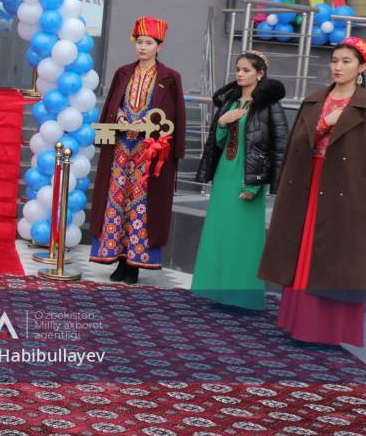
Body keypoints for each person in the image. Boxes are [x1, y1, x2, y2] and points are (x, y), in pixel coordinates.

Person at [259, 37, 366, 347]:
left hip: (346, 189)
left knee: (334, 259)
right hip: (307, 182)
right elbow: (296, 144)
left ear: (361, 67)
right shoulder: (315, 99)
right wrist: (325, 123)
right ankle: (297, 322)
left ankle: (326, 331)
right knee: (302, 250)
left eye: (346, 61)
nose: (338, 67)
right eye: (334, 61)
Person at [89, 16, 186, 284]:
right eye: (140, 42)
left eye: (149, 43)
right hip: (121, 148)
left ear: (159, 46)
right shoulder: (123, 72)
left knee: (141, 204)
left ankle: (134, 263)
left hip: (148, 151)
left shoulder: (170, 77)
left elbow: (176, 115)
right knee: (116, 200)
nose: (143, 47)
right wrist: (118, 116)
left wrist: (170, 146)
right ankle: (117, 258)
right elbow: (112, 104)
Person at [191, 51, 288, 308]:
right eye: (238, 69)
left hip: (248, 178)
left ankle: (242, 298)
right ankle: (216, 293)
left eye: (246, 70)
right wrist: (222, 123)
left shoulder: (269, 106)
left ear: (260, 74)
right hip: (225, 173)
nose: (240, 74)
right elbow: (218, 143)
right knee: (219, 233)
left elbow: (277, 147)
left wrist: (255, 184)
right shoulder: (230, 102)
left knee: (244, 239)